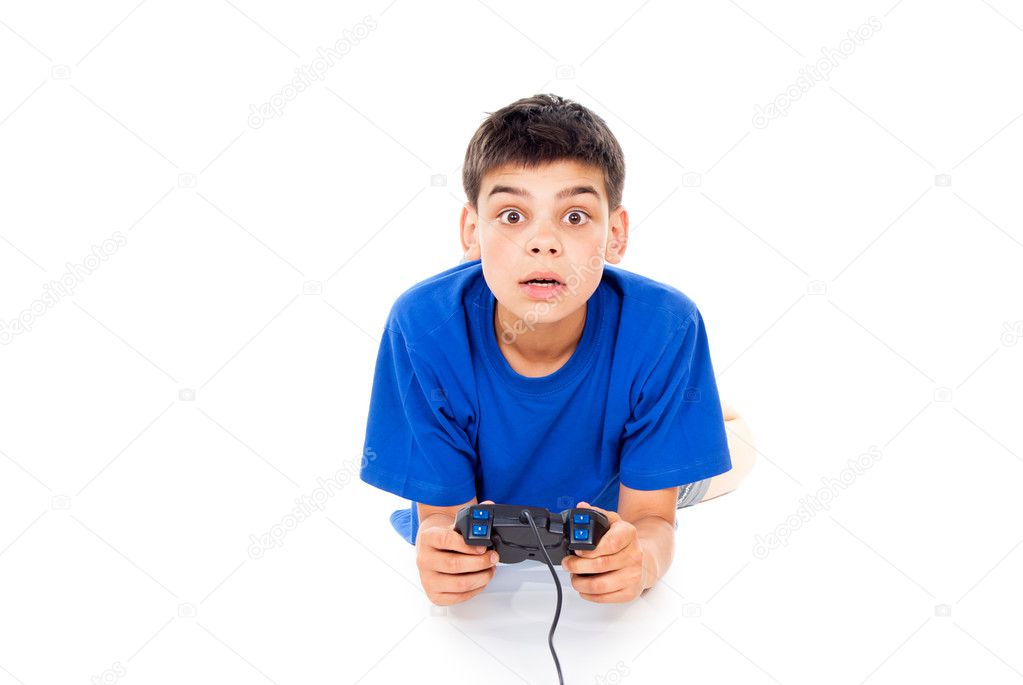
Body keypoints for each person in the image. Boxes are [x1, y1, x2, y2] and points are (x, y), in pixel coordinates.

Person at [360, 93, 756, 606]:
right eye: (510, 215)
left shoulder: (666, 325)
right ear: (470, 231)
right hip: (520, 477)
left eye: (574, 217)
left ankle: (696, 420)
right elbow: (441, 519)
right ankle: (683, 417)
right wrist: (443, 557)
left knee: (739, 450)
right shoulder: (421, 327)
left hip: (622, 489)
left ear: (615, 235)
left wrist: (642, 563)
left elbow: (652, 521)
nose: (543, 241)